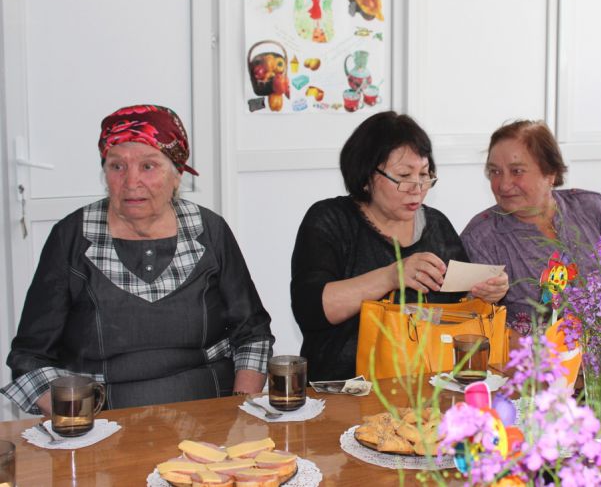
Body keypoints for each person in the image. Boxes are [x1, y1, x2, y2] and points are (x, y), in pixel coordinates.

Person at [1, 104, 274, 415]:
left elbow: (253, 334)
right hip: (100, 420)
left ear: (177, 175)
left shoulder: (210, 231)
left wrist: (239, 413)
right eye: (117, 166)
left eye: (148, 166)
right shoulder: (71, 237)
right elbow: (29, 357)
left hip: (209, 413)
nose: (131, 182)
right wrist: (78, 424)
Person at [291, 111, 508, 381]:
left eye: (425, 175)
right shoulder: (330, 220)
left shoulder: (437, 226)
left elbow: (459, 310)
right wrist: (392, 276)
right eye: (404, 175)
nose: (417, 188)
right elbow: (310, 310)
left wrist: (487, 294)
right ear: (366, 176)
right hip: (342, 388)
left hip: (428, 385)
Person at [461, 120, 601, 334]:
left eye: (517, 171)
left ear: (550, 173)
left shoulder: (592, 209)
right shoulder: (481, 237)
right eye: (495, 171)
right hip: (530, 354)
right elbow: (476, 323)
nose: (504, 185)